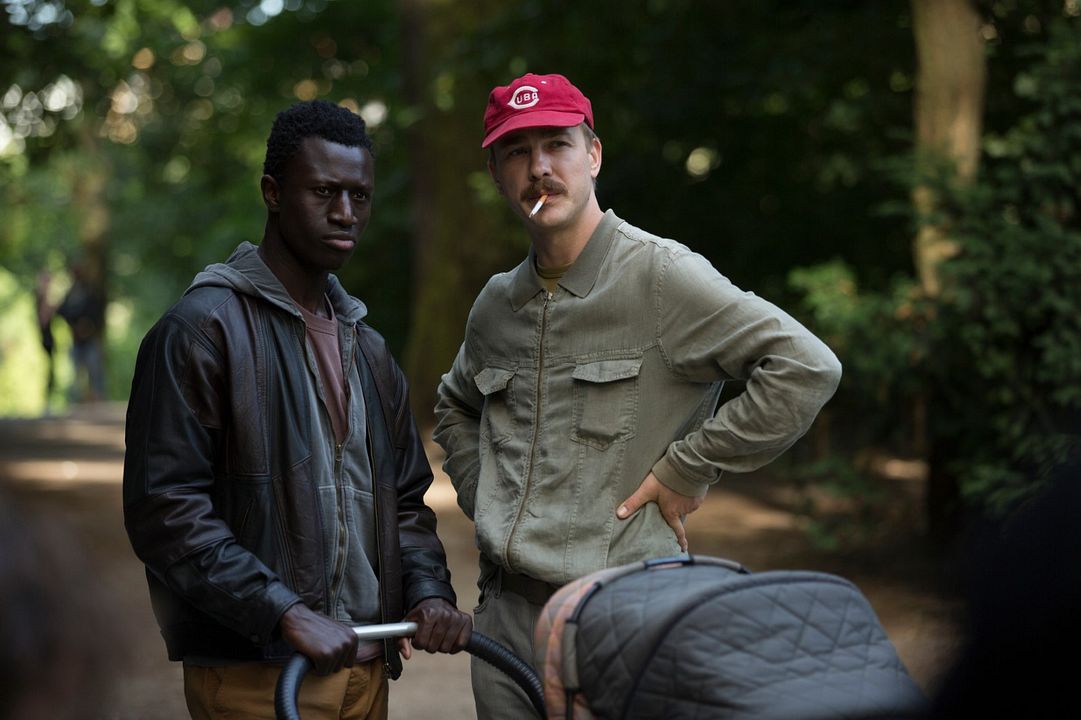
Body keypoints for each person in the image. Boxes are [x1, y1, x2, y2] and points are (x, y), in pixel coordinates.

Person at [433, 72, 843, 718]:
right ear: (494, 172)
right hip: (503, 622)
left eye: (556, 145)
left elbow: (804, 366)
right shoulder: (495, 304)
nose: (539, 168)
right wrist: (486, 493)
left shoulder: (659, 275)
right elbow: (453, 403)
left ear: (592, 154)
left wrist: (689, 464)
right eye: (517, 152)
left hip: (620, 619)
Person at [123, 100, 472, 720]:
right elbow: (166, 512)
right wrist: (281, 610)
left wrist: (428, 593)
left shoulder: (366, 346)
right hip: (257, 679)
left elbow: (406, 502)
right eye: (323, 192)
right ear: (273, 193)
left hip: (366, 674)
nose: (345, 213)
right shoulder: (201, 332)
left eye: (360, 197)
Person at [55, 262, 106, 404]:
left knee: (95, 372)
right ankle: (76, 402)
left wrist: (88, 325)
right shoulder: (71, 293)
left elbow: (97, 311)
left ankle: (98, 400)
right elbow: (61, 311)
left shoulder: (90, 291)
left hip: (89, 338)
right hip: (76, 340)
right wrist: (74, 325)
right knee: (76, 374)